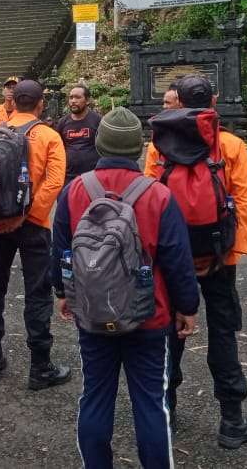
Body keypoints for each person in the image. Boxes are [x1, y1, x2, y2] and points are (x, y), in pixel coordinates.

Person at [52, 107, 200, 469]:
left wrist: (62, 293)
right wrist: (187, 307)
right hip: (148, 315)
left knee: (95, 396)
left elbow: (61, 250)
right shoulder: (159, 195)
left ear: (99, 144)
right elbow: (178, 259)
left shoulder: (74, 191)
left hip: (91, 310)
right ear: (139, 148)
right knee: (150, 402)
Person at [144, 74, 247, 448]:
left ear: (177, 100)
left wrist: (156, 254)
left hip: (171, 257)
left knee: (169, 332)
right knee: (223, 333)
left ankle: (166, 411)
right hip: (218, 255)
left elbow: (149, 201)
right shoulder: (230, 145)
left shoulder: (158, 145)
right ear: (213, 100)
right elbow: (241, 201)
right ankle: (232, 421)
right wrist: (230, 253)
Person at [0, 79, 71, 390]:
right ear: (41, 104)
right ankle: (40, 367)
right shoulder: (48, 136)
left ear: (13, 102)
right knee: (37, 293)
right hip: (34, 226)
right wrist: (28, 216)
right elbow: (55, 181)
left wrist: (0, 218)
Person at [54, 84, 102, 181]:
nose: (73, 101)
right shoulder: (63, 122)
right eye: (71, 97)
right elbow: (57, 148)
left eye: (78, 97)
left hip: (92, 177)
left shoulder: (97, 120)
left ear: (87, 100)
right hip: (68, 176)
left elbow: (103, 147)